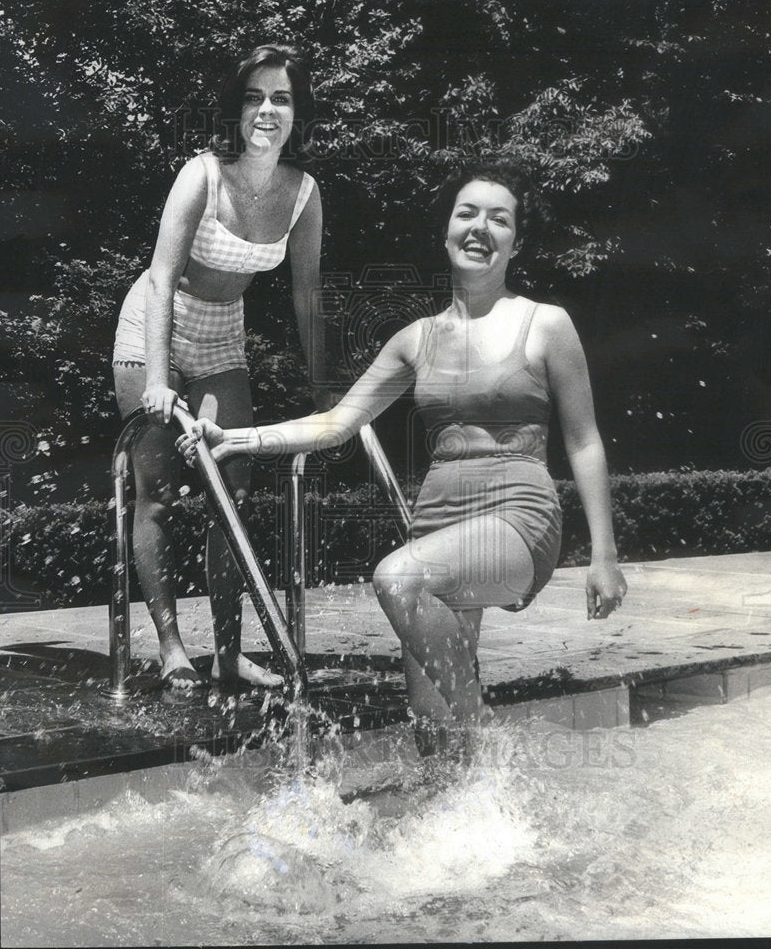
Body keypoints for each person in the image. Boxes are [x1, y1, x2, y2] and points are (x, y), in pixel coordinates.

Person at [177, 161, 627, 755]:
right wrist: (239, 439)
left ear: (516, 241)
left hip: (518, 517)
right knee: (430, 727)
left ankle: (489, 741)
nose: (480, 228)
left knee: (398, 577)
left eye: (499, 219)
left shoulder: (546, 325)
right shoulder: (416, 338)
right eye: (467, 213)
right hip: (439, 523)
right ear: (445, 231)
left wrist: (605, 554)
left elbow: (585, 440)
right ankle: (475, 819)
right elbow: (337, 423)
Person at [113, 44, 323, 690]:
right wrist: (155, 376)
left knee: (231, 490)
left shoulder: (303, 194)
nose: (267, 110)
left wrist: (326, 393)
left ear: (296, 113)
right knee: (158, 494)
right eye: (255, 97)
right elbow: (163, 274)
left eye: (281, 98)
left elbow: (306, 296)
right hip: (156, 321)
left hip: (222, 335)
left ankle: (228, 651)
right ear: (236, 108)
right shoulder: (202, 174)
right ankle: (173, 647)